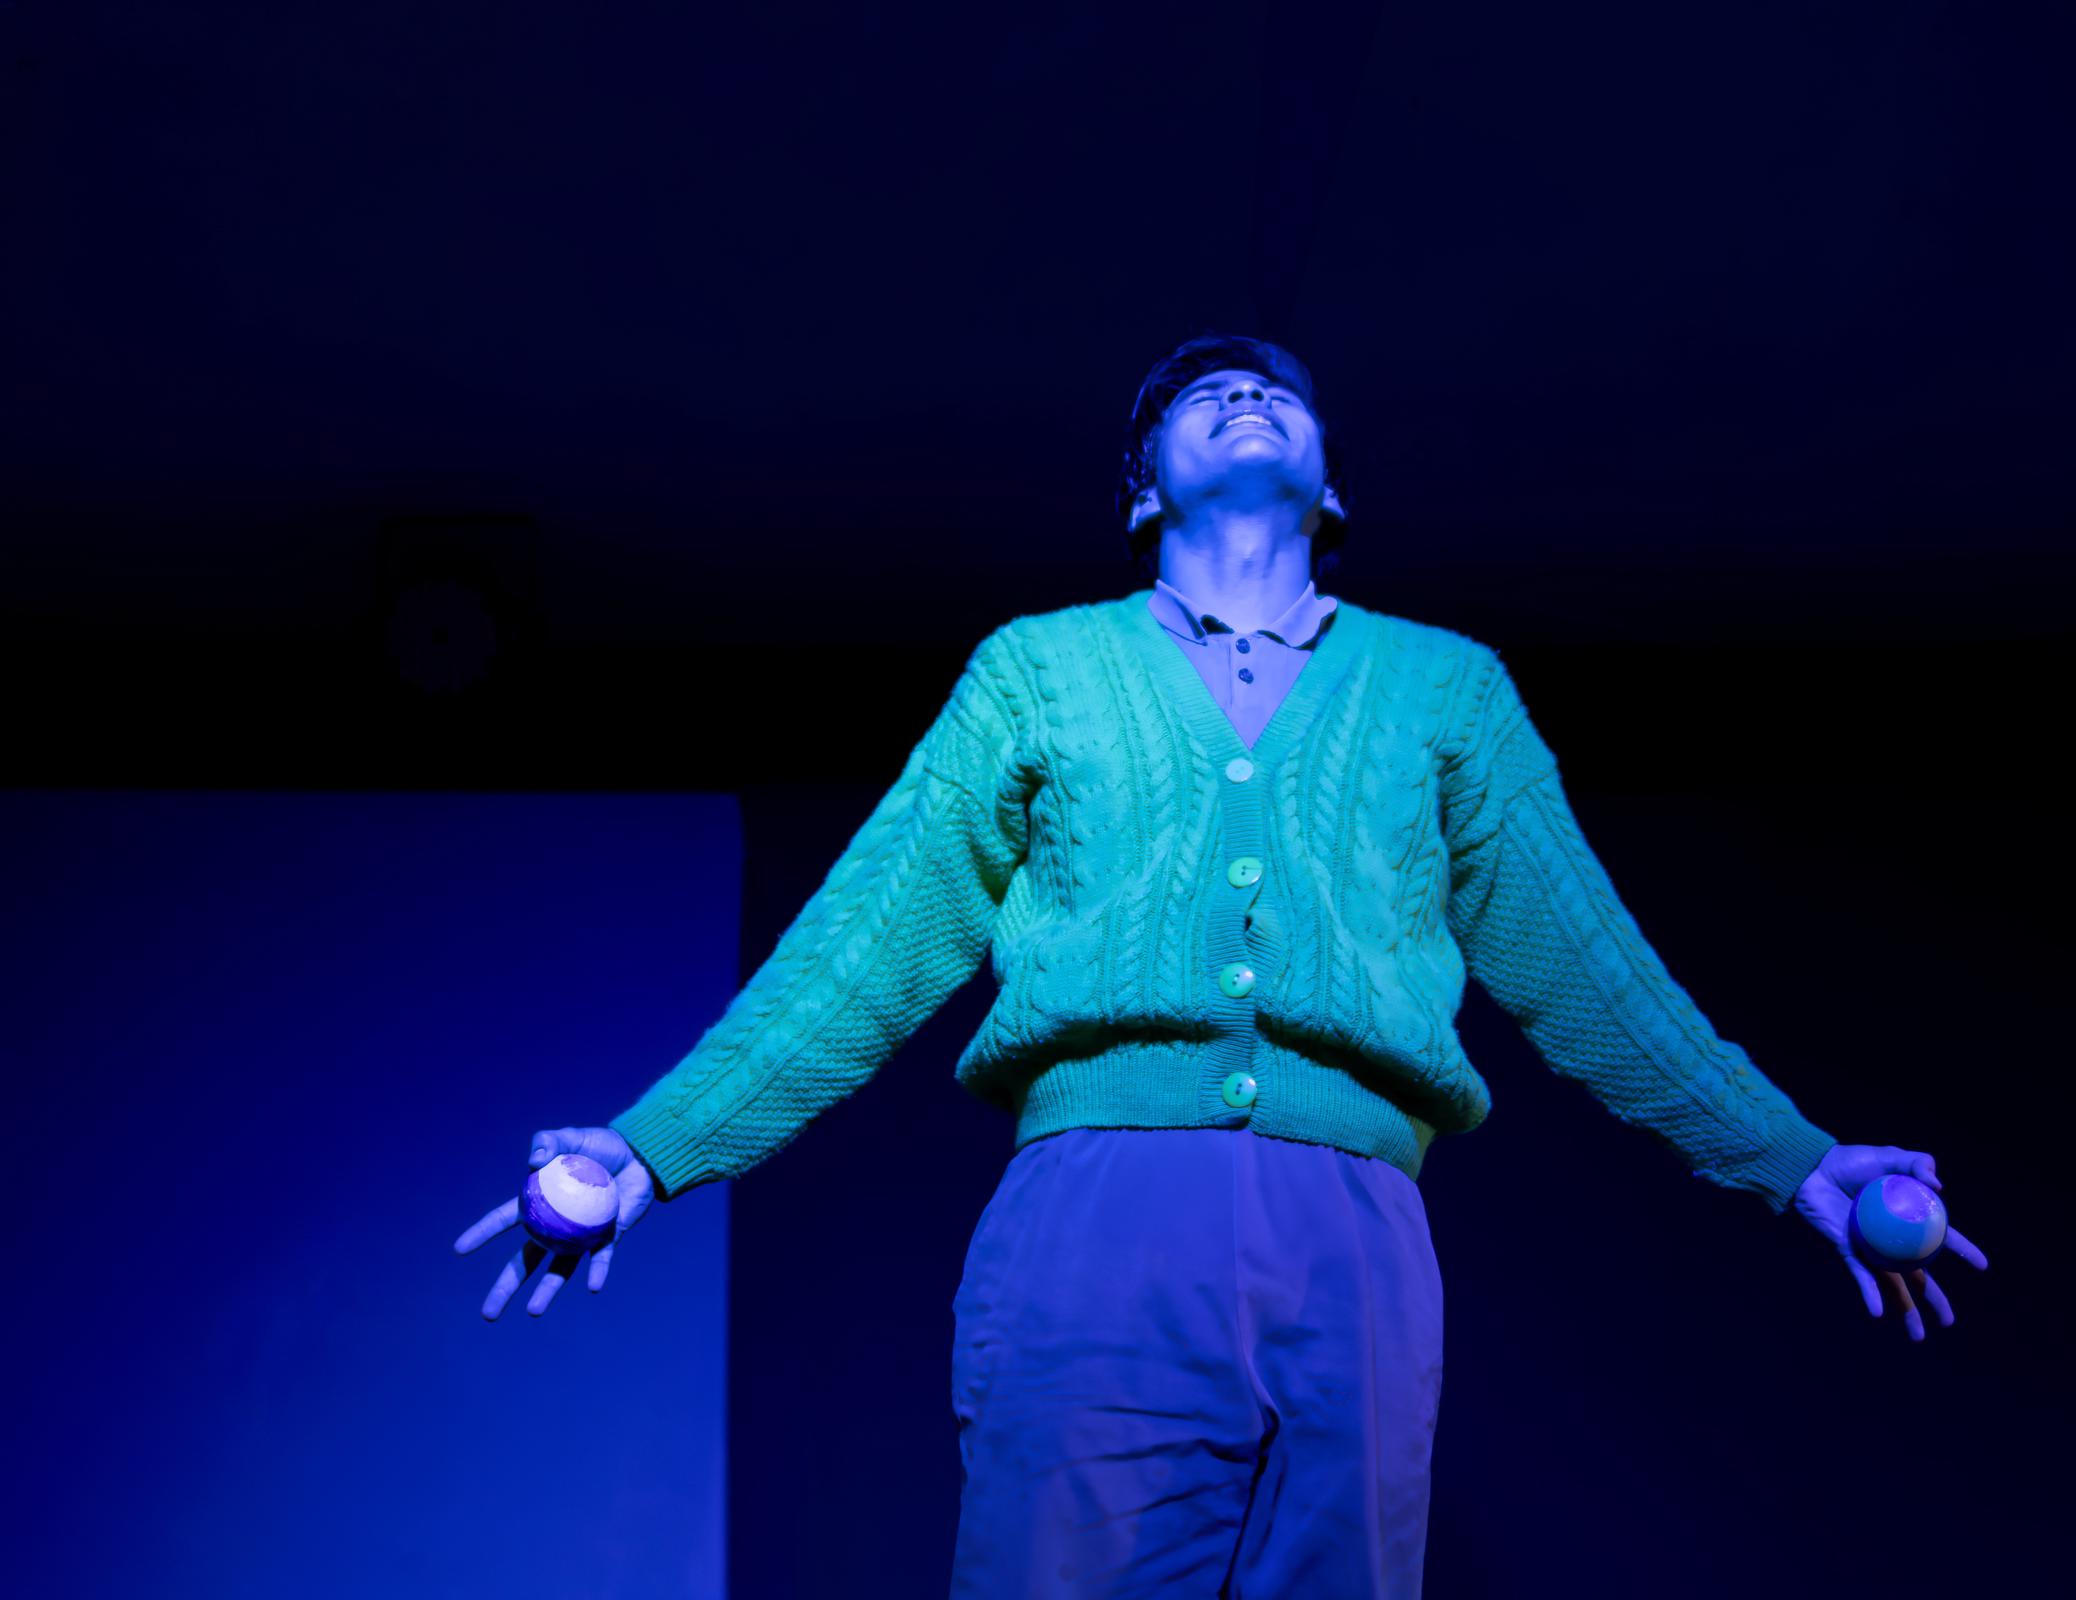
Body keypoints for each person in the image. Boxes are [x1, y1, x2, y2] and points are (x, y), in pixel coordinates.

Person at [454, 332, 1990, 1598]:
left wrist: (1797, 1162)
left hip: (1361, 1237)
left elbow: (1590, 969)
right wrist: (655, 1151)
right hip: (1100, 1214)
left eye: (1279, 389)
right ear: (1141, 492)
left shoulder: (1446, 688)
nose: (1244, 393)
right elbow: (868, 942)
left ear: (1334, 480)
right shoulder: (1040, 670)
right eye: (1198, 392)